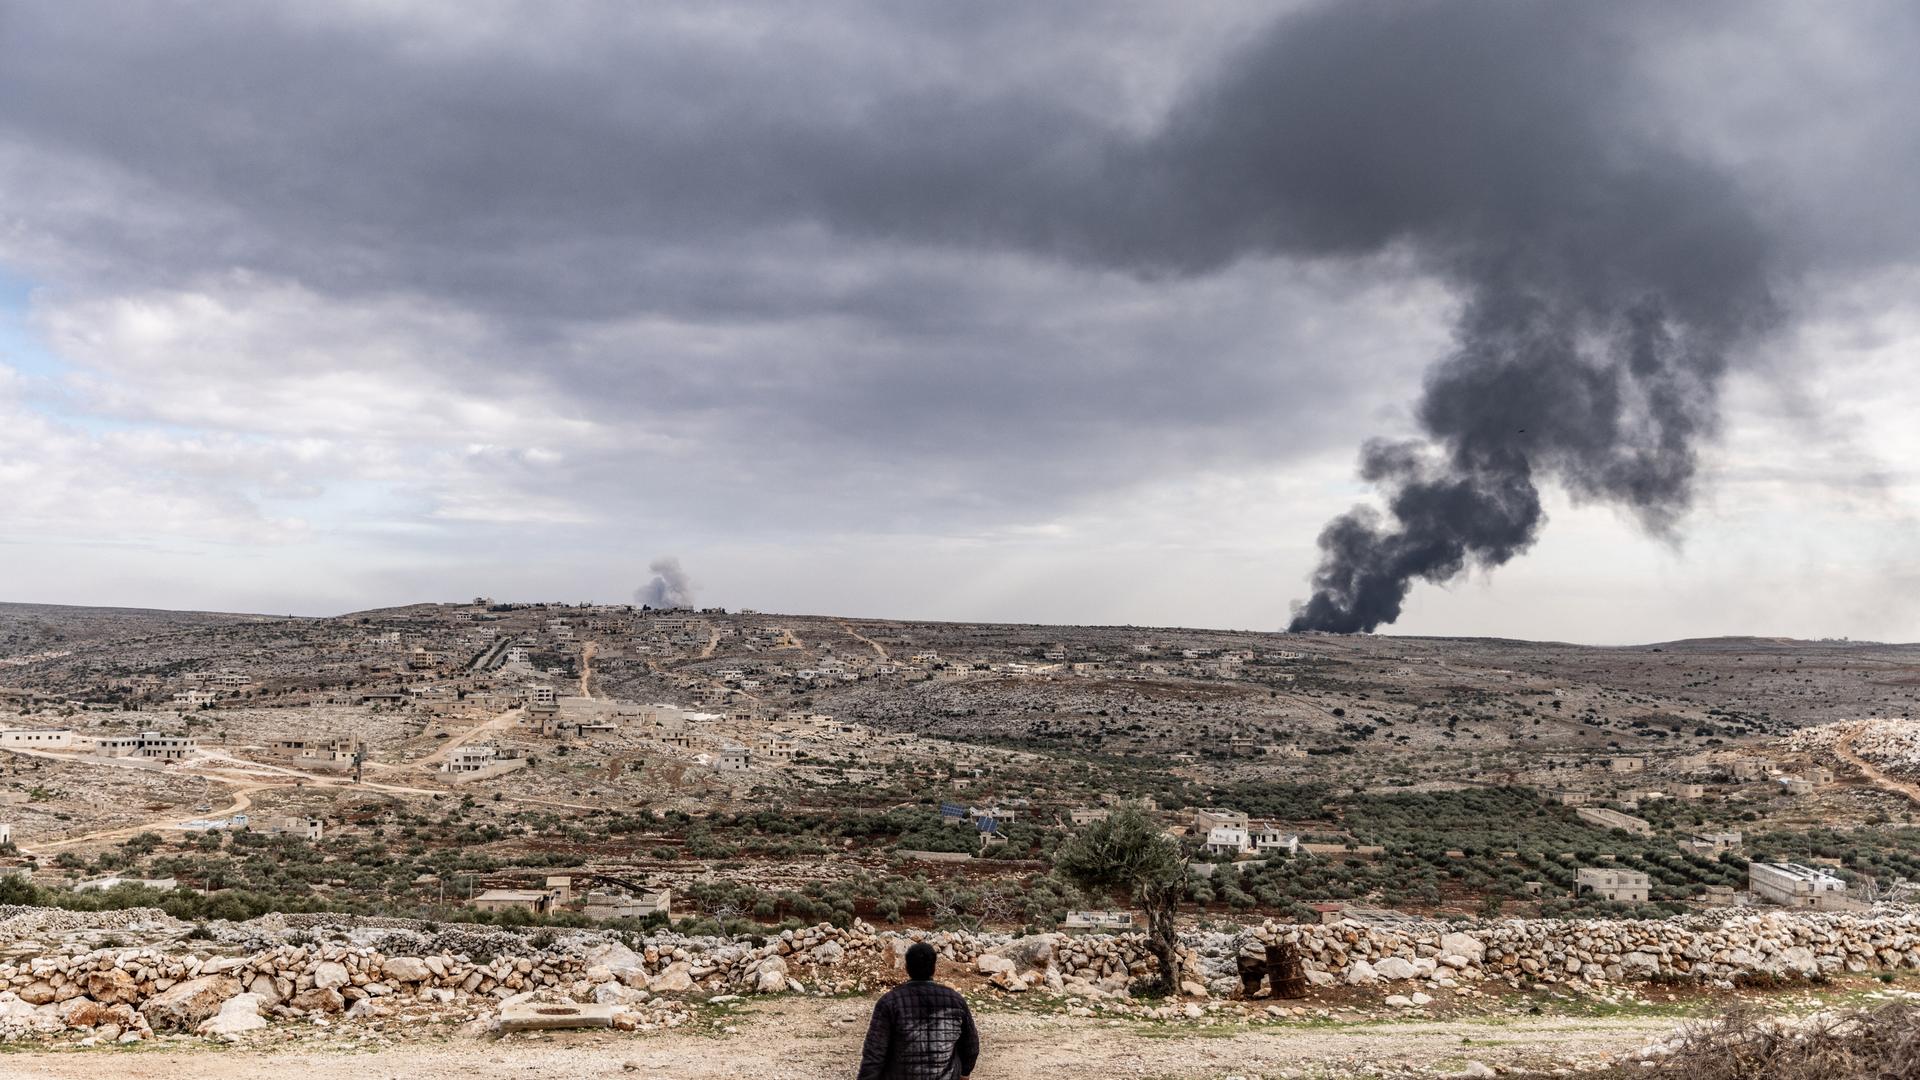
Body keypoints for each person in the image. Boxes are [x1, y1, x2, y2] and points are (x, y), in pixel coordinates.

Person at [857, 941, 980, 1080]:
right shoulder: (956, 1000)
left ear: (907, 967)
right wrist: (965, 1073)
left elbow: (874, 1054)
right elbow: (971, 1046)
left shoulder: (889, 1002)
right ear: (934, 968)